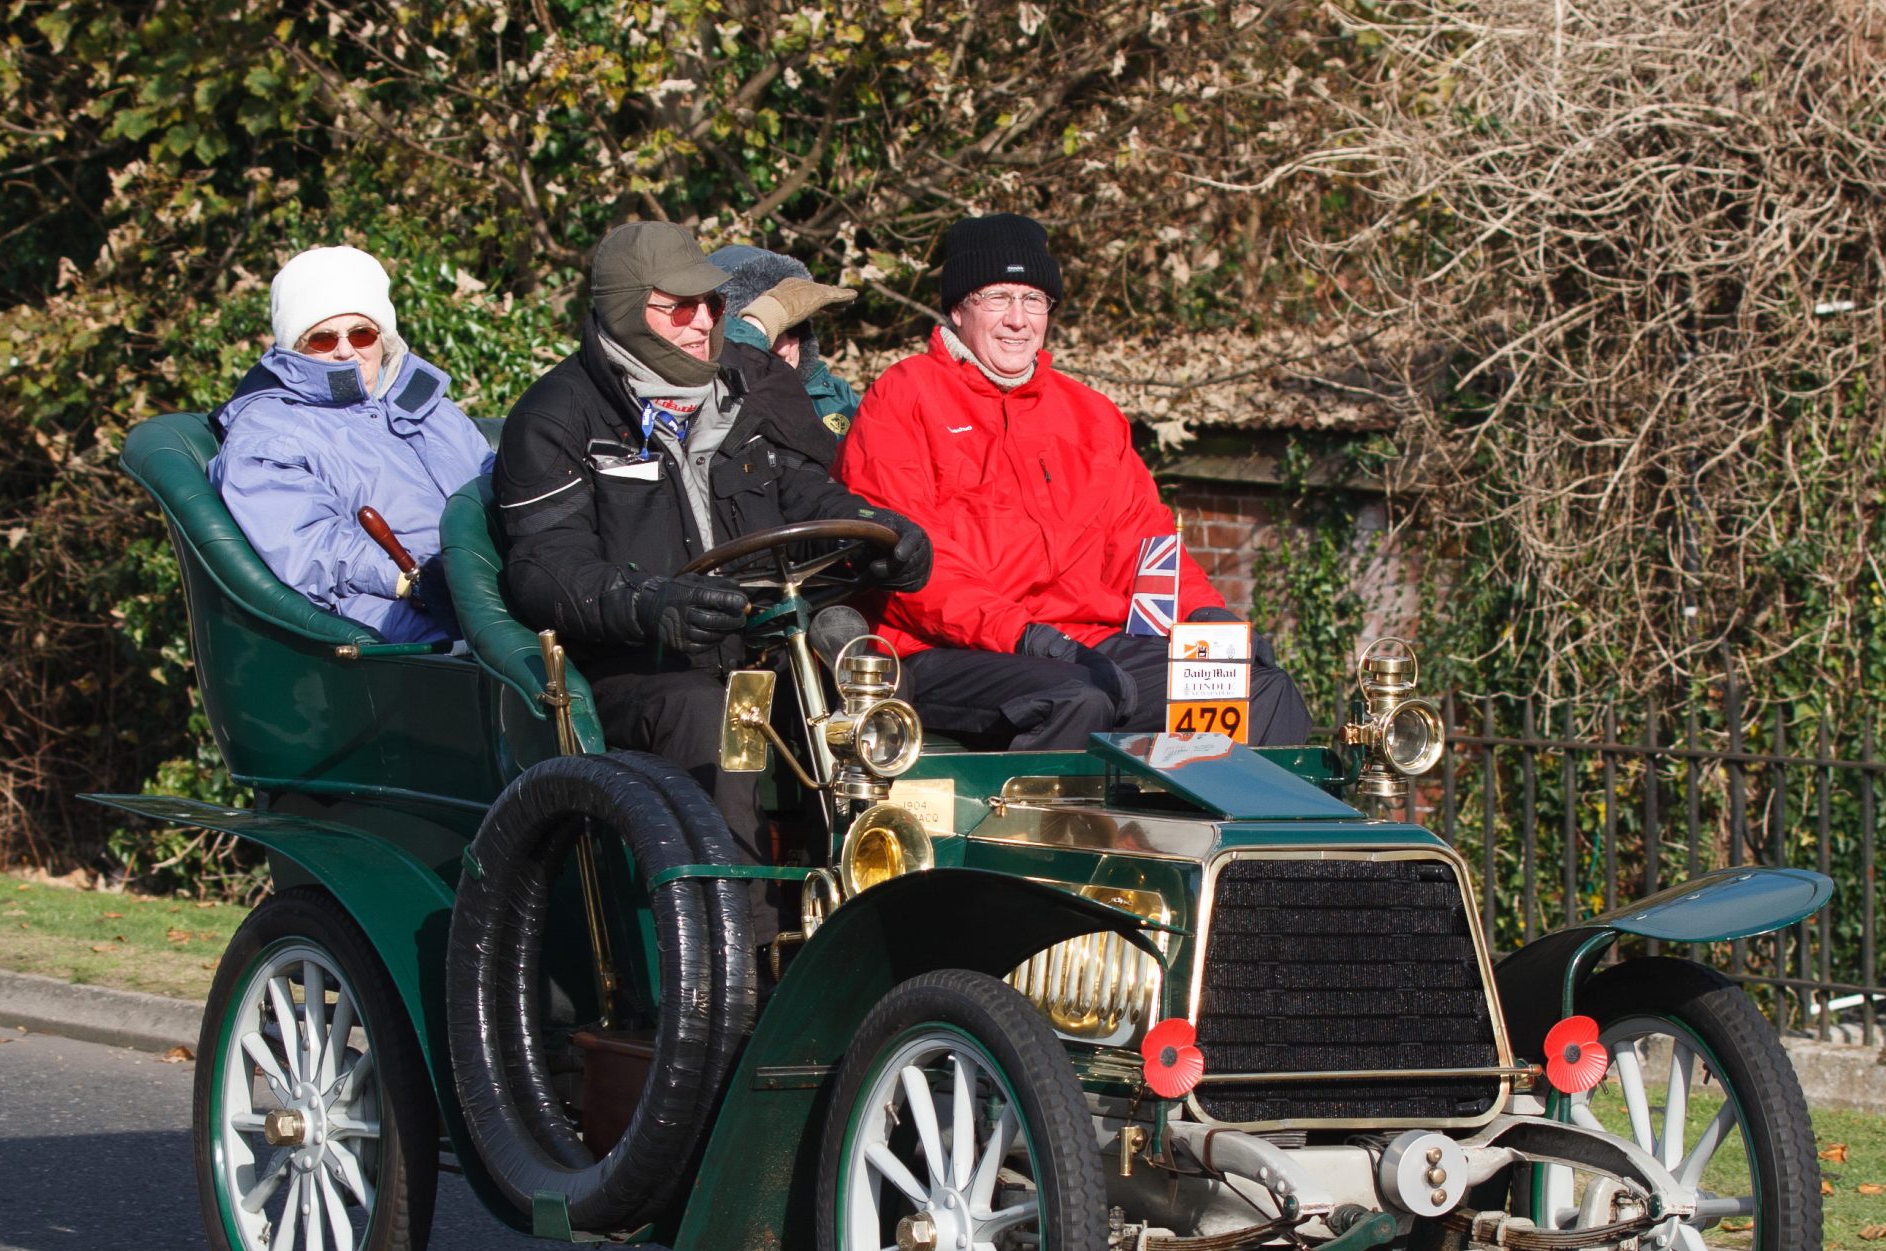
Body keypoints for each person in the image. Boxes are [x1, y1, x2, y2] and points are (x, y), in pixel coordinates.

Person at [494, 222, 932, 857]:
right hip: (635, 668)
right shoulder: (555, 415)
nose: (703, 322)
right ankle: (737, 939)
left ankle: (862, 900)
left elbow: (808, 495)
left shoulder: (743, 386)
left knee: (867, 682)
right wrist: (653, 606)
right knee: (707, 713)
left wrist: (881, 534)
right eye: (680, 307)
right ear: (624, 307)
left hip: (755, 645)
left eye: (714, 304)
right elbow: (544, 569)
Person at [836, 212, 1313, 750]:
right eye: (998, 297)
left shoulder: (1091, 414)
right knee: (1078, 697)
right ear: (958, 308)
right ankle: (1034, 833)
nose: (1018, 319)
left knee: (1261, 689)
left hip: (1084, 644)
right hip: (946, 649)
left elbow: (1145, 543)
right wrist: (1021, 633)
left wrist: (1207, 618)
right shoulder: (904, 398)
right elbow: (909, 562)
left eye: (1033, 300)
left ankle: (1215, 831)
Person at [211, 246, 491, 642]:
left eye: (362, 333)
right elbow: (309, 546)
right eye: (322, 339)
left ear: (383, 337)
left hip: (491, 586)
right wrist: (409, 580)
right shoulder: (266, 433)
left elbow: (494, 479)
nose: (346, 350)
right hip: (399, 618)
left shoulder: (427, 405)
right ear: (295, 346)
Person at [707, 245, 863, 438]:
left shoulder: (837, 398)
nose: (783, 348)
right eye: (765, 333)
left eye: (794, 329)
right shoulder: (700, 401)